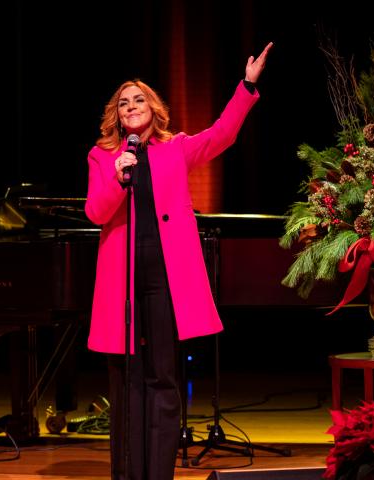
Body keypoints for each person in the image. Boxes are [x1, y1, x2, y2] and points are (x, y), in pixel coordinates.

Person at [84, 42, 273, 480]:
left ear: (154, 109)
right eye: (124, 102)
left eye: (140, 99)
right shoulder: (103, 156)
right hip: (123, 282)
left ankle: (159, 474)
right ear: (117, 116)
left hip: (166, 281)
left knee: (164, 380)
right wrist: (117, 176)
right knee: (127, 381)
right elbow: (96, 212)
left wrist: (246, 86)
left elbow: (223, 134)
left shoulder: (178, 149)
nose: (132, 105)